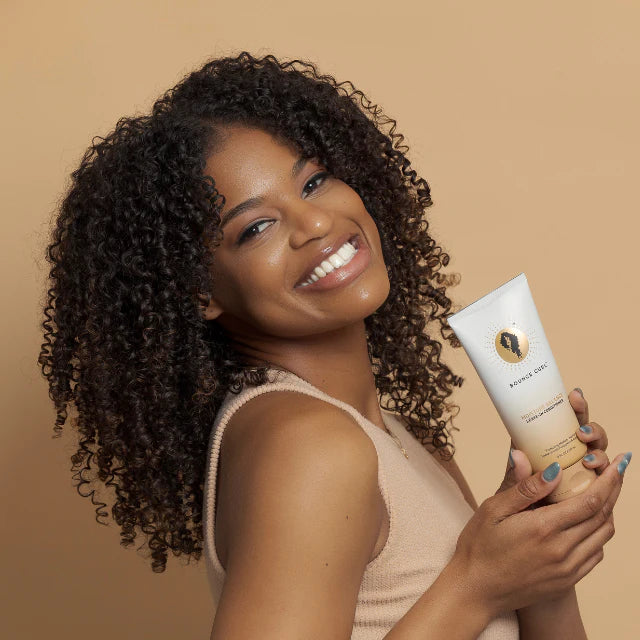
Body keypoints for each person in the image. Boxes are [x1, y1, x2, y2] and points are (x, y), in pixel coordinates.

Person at [38, 51, 630, 639]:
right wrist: (477, 583)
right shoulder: (308, 445)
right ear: (199, 291)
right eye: (256, 227)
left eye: (314, 181)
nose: (317, 223)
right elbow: (474, 591)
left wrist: (542, 563)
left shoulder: (401, 440)